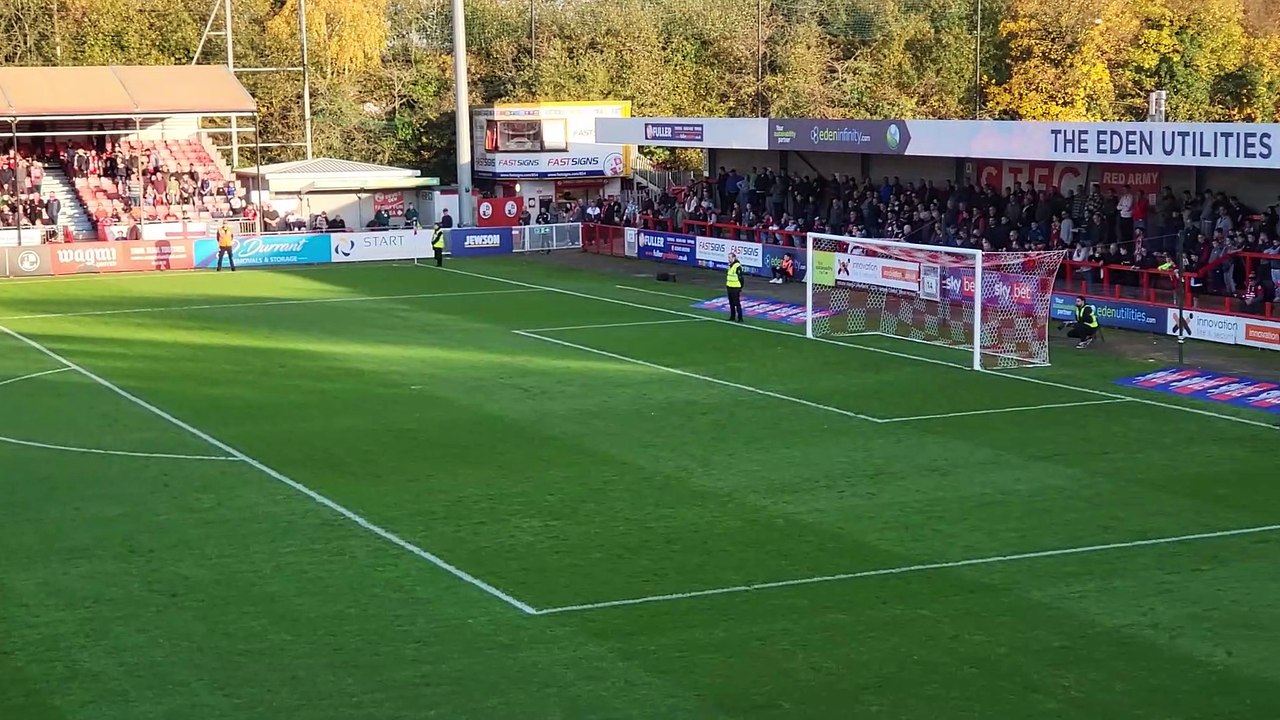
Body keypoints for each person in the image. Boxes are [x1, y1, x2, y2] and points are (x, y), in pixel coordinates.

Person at [725, 251, 745, 322]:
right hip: (730, 287)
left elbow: (741, 278)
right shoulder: (730, 265)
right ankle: (732, 316)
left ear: (734, 258)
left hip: (735, 288)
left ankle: (740, 318)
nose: (728, 259)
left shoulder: (737, 266)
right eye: (728, 257)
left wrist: (740, 287)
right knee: (731, 303)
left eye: (730, 257)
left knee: (737, 303)